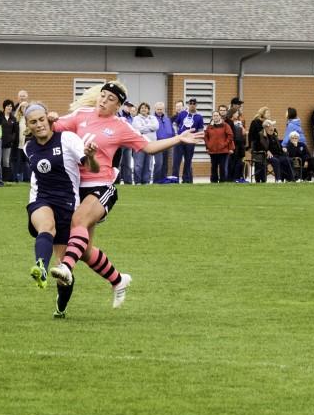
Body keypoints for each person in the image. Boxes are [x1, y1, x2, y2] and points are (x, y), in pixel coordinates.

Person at [47, 82, 203, 310]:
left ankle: (66, 268)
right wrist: (47, 118)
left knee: (78, 222)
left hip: (102, 186)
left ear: (118, 105)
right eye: (102, 95)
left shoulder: (120, 126)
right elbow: (55, 128)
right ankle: (118, 280)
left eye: (110, 98)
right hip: (75, 188)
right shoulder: (81, 115)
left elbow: (148, 148)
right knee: (85, 251)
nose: (103, 100)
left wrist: (178, 138)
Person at [22, 102, 99, 319]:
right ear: (28, 126)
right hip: (40, 200)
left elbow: (91, 168)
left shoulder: (67, 139)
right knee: (46, 226)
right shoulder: (28, 147)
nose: (38, 125)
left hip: (67, 205)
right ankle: (40, 267)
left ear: (49, 119)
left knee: (63, 272)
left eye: (41, 120)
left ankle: (61, 307)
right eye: (33, 122)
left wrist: (90, 156)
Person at [171, 98, 203, 183]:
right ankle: (175, 179)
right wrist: (176, 134)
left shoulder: (199, 117)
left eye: (194, 103)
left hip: (190, 141)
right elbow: (175, 124)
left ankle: (186, 180)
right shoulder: (182, 113)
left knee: (188, 161)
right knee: (176, 161)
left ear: (196, 105)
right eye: (190, 103)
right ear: (188, 104)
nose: (192, 105)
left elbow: (200, 130)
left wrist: (197, 139)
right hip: (180, 140)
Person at [130, 102, 158, 185]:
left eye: (145, 108)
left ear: (148, 110)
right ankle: (138, 181)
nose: (144, 109)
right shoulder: (136, 119)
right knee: (138, 164)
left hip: (150, 144)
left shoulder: (152, 118)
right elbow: (138, 129)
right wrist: (150, 128)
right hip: (139, 145)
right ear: (139, 110)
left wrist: (144, 128)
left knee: (148, 164)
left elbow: (156, 127)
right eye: (142, 108)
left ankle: (146, 181)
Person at [203, 110, 233, 183]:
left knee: (222, 167)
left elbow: (230, 136)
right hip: (213, 151)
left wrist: (224, 144)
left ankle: (223, 181)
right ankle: (214, 181)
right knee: (213, 167)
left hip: (223, 151)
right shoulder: (209, 127)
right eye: (214, 116)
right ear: (212, 117)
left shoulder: (225, 125)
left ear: (219, 116)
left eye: (217, 115)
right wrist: (208, 145)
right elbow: (205, 137)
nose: (215, 117)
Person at [152, 101, 174, 182]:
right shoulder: (152, 118)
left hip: (168, 144)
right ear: (155, 109)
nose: (160, 111)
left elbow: (171, 130)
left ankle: (163, 180)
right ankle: (156, 181)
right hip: (158, 144)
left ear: (164, 109)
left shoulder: (167, 119)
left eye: (161, 109)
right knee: (159, 163)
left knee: (165, 164)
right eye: (158, 109)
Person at [12, 89, 30, 182]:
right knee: (18, 161)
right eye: (21, 96)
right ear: (18, 97)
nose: (22, 97)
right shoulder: (14, 110)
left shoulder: (32, 110)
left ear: (27, 97)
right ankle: (18, 179)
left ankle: (29, 178)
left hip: (28, 141)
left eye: (24, 95)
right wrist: (19, 107)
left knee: (28, 160)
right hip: (18, 142)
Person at [226, 109, 247, 182]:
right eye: (236, 113)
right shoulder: (228, 122)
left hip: (240, 144)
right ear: (232, 114)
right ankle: (231, 178)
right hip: (233, 144)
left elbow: (244, 133)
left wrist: (241, 126)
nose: (237, 115)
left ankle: (238, 177)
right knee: (232, 162)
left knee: (239, 161)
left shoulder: (239, 122)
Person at [0, 99, 19, 182]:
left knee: (6, 161)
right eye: (8, 106)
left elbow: (15, 131)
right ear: (4, 107)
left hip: (8, 144)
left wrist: (12, 139)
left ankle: (5, 179)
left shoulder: (13, 119)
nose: (9, 107)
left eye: (11, 106)